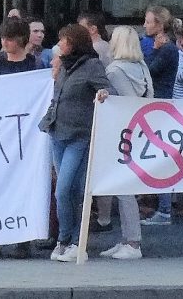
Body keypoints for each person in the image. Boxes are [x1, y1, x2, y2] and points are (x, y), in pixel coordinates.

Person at [39, 25, 106, 262]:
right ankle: (70, 240)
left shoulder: (92, 65)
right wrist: (48, 119)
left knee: (64, 189)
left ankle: (69, 239)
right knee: (71, 190)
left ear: (75, 43)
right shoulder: (63, 65)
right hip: (58, 132)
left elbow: (106, 88)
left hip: (79, 135)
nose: (60, 44)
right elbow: (56, 97)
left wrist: (103, 93)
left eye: (64, 40)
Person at [94, 26, 154, 258]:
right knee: (126, 186)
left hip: (122, 131)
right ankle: (127, 239)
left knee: (123, 188)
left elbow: (126, 102)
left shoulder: (114, 70)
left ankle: (133, 242)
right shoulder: (142, 67)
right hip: (141, 130)